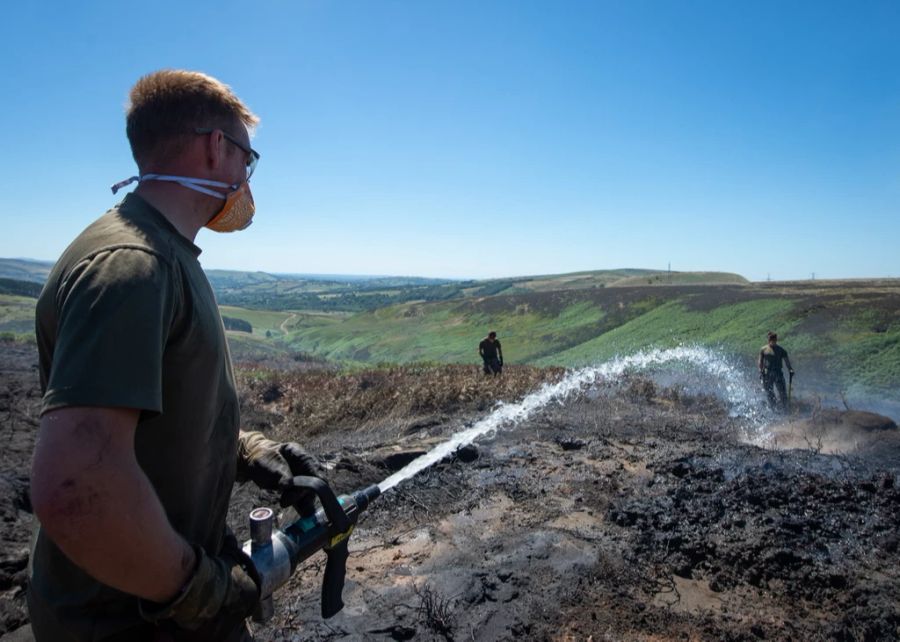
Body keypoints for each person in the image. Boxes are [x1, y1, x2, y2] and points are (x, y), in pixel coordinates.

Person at [28, 69, 321, 642]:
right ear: (217, 149)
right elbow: (74, 489)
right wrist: (199, 590)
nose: (246, 178)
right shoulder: (134, 267)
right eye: (247, 158)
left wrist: (252, 453)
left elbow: (159, 422)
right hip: (128, 622)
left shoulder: (161, 253)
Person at [758, 331, 795, 412]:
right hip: (767, 374)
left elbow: (787, 362)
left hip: (778, 373)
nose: (773, 342)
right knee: (769, 392)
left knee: (782, 393)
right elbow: (760, 362)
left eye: (774, 340)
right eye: (771, 340)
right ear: (768, 340)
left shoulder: (781, 350)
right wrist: (760, 371)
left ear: (776, 340)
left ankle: (785, 409)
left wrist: (790, 370)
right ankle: (774, 409)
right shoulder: (763, 349)